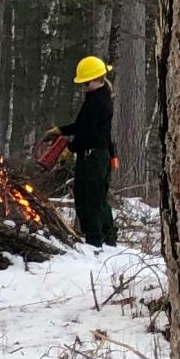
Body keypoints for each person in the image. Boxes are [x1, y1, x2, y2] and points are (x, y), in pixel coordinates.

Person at [51, 55, 118, 247]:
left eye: (85, 83)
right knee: (97, 199)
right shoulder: (97, 97)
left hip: (92, 157)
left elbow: (87, 134)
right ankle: (107, 240)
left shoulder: (97, 102)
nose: (83, 87)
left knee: (89, 201)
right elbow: (82, 125)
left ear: (94, 79)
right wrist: (61, 131)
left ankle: (95, 243)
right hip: (97, 155)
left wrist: (69, 149)